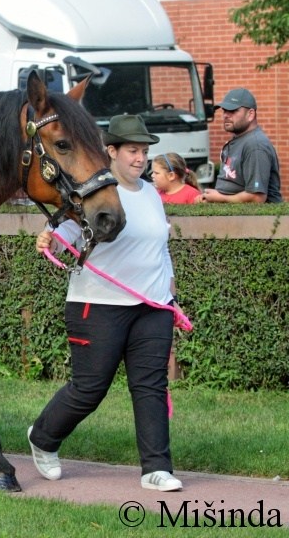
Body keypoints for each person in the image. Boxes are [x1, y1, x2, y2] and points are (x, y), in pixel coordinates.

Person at [29, 113, 183, 493]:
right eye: (132, 150)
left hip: (153, 307)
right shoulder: (94, 190)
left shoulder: (150, 193)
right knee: (89, 388)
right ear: (111, 151)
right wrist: (49, 235)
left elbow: (160, 249)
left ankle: (156, 469)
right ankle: (43, 438)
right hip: (97, 305)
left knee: (150, 387)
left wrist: (171, 296)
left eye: (144, 152)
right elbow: (65, 226)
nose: (140, 159)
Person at [200, 88, 282, 204]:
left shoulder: (255, 146)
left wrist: (220, 199)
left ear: (250, 114)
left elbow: (257, 198)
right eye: (224, 111)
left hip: (258, 221)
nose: (226, 116)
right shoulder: (240, 140)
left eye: (232, 111)